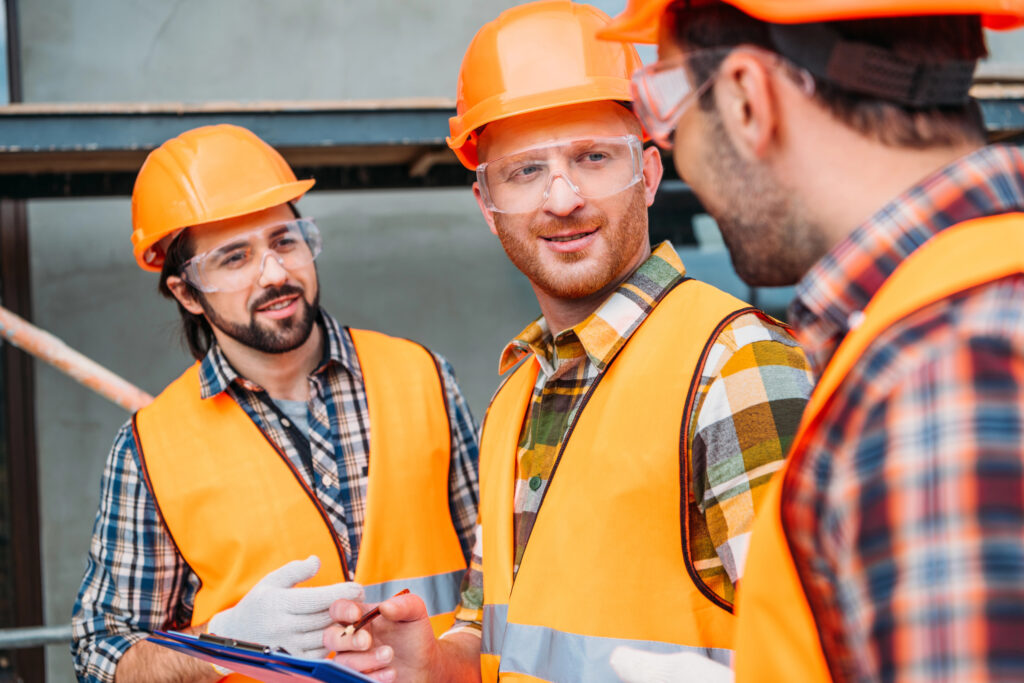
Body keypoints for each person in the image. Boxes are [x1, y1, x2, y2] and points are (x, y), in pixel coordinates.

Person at [321, 3, 814, 681]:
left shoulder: (733, 363)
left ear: (647, 174)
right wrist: (434, 662)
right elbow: (502, 630)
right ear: (486, 206)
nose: (561, 197)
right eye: (525, 172)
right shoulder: (516, 395)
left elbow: (817, 651)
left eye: (592, 157)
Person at [598, 1, 1024, 681]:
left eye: (668, 102)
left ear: (745, 96)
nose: (671, 144)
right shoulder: (960, 324)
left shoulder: (943, 377)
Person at [70, 124, 480, 683]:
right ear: (187, 292)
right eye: (235, 258)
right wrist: (220, 647)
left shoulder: (423, 377)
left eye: (285, 240)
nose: (275, 273)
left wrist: (451, 652)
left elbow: (499, 570)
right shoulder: (148, 447)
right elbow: (100, 656)